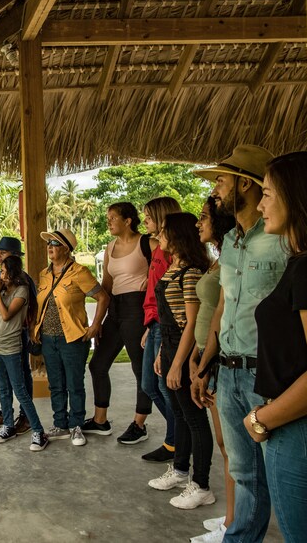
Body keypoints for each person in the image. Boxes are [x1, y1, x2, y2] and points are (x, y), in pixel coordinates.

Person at [190, 144, 286, 542]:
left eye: (221, 181)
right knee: (243, 473)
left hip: (267, 375)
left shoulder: (284, 236)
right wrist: (204, 366)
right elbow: (222, 310)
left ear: (245, 184)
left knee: (281, 476)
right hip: (227, 373)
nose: (215, 190)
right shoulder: (230, 242)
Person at [246, 151, 307, 543]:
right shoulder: (298, 263)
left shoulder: (306, 268)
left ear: (295, 195)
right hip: (288, 421)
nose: (261, 204)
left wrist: (262, 419)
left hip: (295, 423)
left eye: (268, 193)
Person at [147, 213, 215, 511]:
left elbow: (191, 322)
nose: (159, 237)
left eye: (163, 232)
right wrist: (163, 352)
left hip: (185, 351)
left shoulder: (190, 272)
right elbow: (167, 319)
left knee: (194, 418)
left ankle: (201, 485)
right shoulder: (172, 267)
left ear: (177, 237)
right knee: (179, 413)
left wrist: (178, 363)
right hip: (170, 344)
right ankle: (180, 469)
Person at [32, 229, 109, 446]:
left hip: (73, 337)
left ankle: (76, 426)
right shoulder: (44, 274)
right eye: (49, 243)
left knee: (75, 384)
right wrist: (34, 328)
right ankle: (60, 424)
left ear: (66, 248)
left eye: (55, 243)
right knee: (56, 384)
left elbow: (103, 297)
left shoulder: (79, 272)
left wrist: (95, 325)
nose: (50, 247)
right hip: (48, 338)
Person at [84, 203, 152, 444]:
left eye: (113, 217)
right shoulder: (110, 247)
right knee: (98, 364)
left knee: (140, 368)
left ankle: (139, 424)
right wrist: (99, 321)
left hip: (137, 308)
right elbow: (107, 286)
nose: (109, 221)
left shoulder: (147, 242)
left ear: (128, 220)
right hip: (115, 310)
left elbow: (165, 270)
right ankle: (100, 420)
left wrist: (151, 284)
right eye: (107, 217)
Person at [190, 197, 237, 543]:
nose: (198, 223)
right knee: (226, 444)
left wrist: (206, 358)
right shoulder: (220, 259)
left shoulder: (232, 258)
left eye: (204, 217)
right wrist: (200, 354)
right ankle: (233, 517)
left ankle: (236, 523)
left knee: (233, 447)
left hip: (224, 356)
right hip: (210, 354)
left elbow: (224, 314)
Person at [0, 254, 48, 451]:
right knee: (3, 388)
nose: (1, 275)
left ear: (13, 273)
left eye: (4, 272)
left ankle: (38, 431)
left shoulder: (22, 291)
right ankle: (8, 425)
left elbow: (6, 316)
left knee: (20, 391)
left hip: (11, 347)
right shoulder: (2, 291)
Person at [140, 197, 182, 462]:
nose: (144, 220)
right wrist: (149, 324)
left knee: (164, 387)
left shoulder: (171, 252)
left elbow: (170, 297)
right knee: (149, 385)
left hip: (165, 325)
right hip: (153, 323)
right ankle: (179, 434)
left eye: (148, 216)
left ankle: (174, 441)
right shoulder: (158, 249)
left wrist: (161, 328)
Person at [0, 237, 37, 435]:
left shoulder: (25, 280)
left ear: (14, 256)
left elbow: (33, 307)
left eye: (3, 253)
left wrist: (32, 329)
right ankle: (5, 413)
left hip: (18, 332)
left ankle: (25, 416)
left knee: (22, 374)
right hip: (0, 332)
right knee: (3, 379)